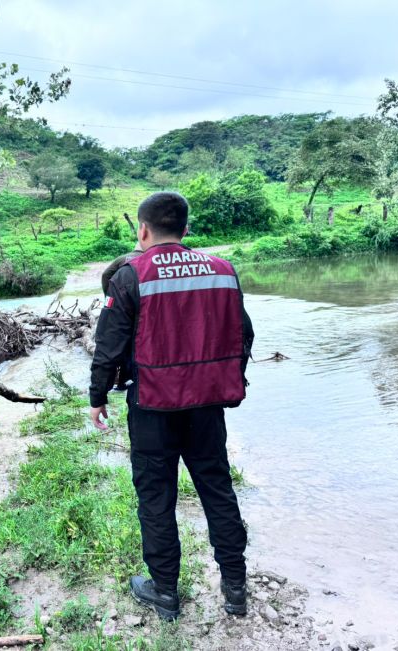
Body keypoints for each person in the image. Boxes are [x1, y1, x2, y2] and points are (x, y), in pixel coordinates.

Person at [89, 193, 254, 621]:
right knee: (217, 490)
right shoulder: (222, 270)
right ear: (186, 228)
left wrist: (97, 397)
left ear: (142, 230)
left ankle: (165, 594)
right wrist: (228, 378)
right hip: (206, 407)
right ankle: (235, 589)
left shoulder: (131, 275)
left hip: (152, 408)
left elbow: (108, 347)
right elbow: (244, 334)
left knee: (156, 499)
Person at [100, 242, 143, 390]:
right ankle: (135, 376)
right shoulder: (149, 259)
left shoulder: (122, 259)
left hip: (123, 306)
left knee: (121, 341)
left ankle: (118, 380)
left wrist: (109, 295)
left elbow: (106, 275)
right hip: (141, 306)